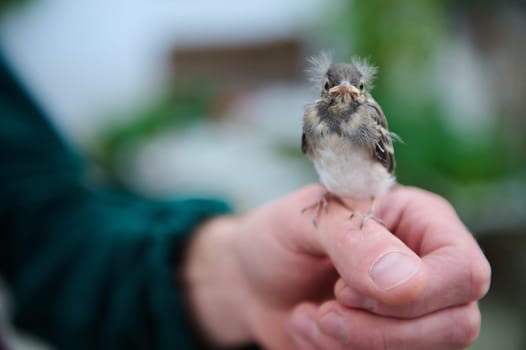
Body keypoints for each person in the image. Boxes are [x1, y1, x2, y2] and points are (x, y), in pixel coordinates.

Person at [0, 48, 490, 350]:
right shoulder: (312, 118)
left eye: (354, 87)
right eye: (334, 86)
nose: (344, 93)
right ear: (323, 91)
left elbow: (44, 222)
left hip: (367, 196)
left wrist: (231, 271)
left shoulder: (371, 120)